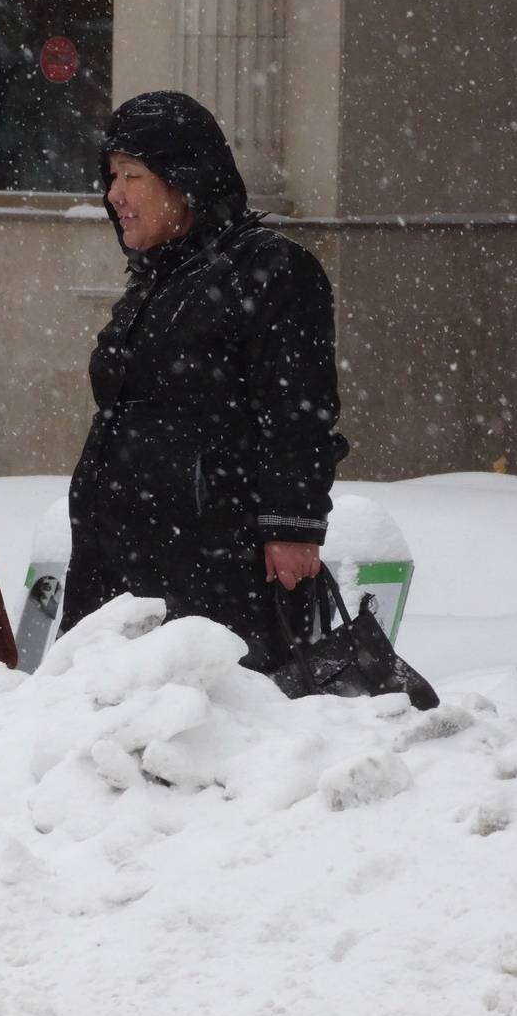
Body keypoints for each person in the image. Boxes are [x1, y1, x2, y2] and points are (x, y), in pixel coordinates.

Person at [60, 91, 349, 670]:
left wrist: (293, 526)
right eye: (111, 175)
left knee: (208, 725)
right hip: (117, 554)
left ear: (184, 180)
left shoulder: (268, 269)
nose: (114, 195)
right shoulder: (157, 277)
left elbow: (299, 411)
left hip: (213, 559)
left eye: (132, 175)